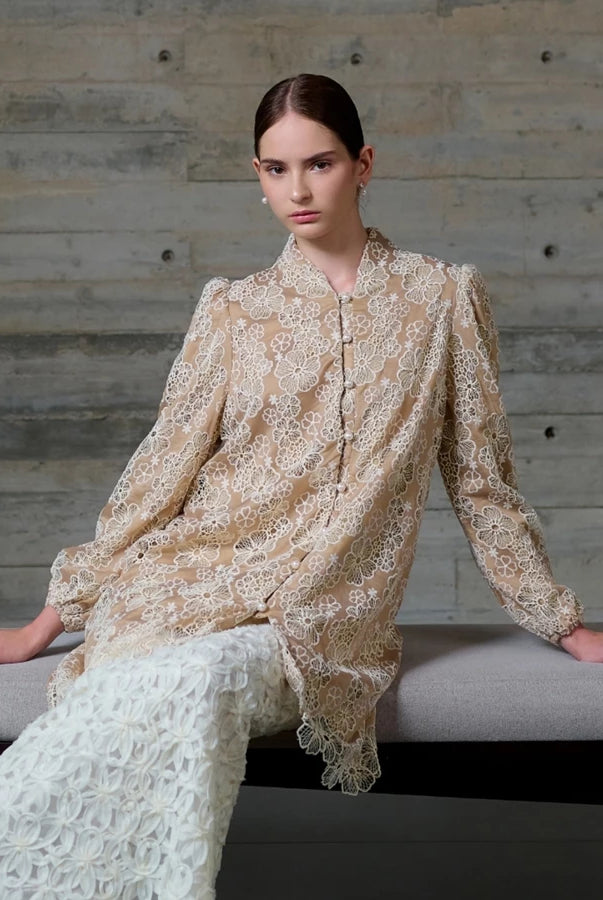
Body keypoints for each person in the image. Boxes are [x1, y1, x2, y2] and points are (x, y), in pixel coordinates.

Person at [1, 72, 602, 897]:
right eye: (275, 170)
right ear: (256, 177)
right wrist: (46, 623)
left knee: (195, 681)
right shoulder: (232, 311)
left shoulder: (441, 297)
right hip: (181, 579)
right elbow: (158, 474)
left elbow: (481, 482)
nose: (297, 189)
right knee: (143, 678)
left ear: (362, 164)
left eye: (317, 164)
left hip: (324, 607)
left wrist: (563, 626)